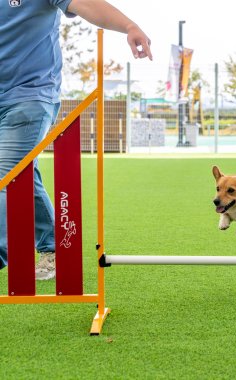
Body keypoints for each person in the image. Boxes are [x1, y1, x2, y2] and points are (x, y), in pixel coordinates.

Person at [0, 0, 152, 280]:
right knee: (23, 174)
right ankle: (54, 248)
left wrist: (129, 26)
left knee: (6, 175)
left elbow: (85, 3)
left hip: (29, 97)